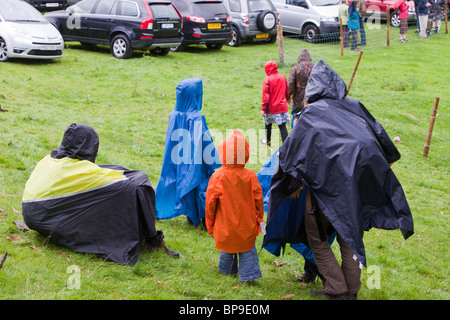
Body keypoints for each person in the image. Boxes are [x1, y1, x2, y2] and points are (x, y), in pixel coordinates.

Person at [265, 60, 414, 300]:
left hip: (325, 192)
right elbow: (384, 145)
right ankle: (351, 290)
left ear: (315, 88)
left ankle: (337, 289)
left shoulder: (311, 113)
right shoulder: (355, 106)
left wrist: (292, 185)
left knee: (317, 238)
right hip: (354, 189)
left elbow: (291, 154)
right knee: (350, 234)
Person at [22, 123, 179, 265]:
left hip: (33, 215)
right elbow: (130, 180)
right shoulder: (82, 172)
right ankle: (151, 240)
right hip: (46, 215)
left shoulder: (49, 160)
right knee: (137, 185)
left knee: (114, 178)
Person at [155, 78, 221, 229]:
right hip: (196, 160)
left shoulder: (175, 115)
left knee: (179, 180)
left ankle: (189, 216)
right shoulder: (196, 117)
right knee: (200, 183)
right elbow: (203, 140)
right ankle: (204, 220)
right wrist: (211, 159)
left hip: (177, 158)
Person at [205, 130, 264, 283]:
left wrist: (210, 223)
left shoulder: (218, 177)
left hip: (225, 224)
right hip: (246, 224)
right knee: (247, 248)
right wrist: (259, 217)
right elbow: (258, 200)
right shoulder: (251, 176)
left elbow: (210, 203)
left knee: (228, 246)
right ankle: (248, 275)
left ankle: (226, 270)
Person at [260, 60, 290, 147]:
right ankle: (286, 146)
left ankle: (268, 141)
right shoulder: (282, 77)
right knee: (282, 126)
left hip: (271, 108)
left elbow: (265, 96)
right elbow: (286, 90)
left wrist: (263, 109)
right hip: (282, 107)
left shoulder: (267, 79)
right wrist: (288, 99)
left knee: (268, 124)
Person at [287, 48, 314, 127]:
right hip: (312, 99)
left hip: (298, 100)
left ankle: (295, 134)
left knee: (296, 116)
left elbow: (290, 84)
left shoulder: (295, 68)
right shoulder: (315, 67)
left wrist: (287, 96)